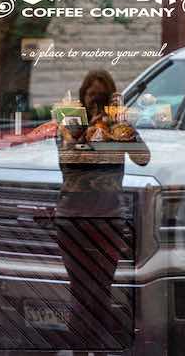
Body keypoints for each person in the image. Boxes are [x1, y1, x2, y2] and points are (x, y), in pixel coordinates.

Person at [55, 69, 149, 350]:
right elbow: (71, 161)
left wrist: (120, 126)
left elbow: (143, 158)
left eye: (101, 98)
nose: (95, 102)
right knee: (82, 294)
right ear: (83, 97)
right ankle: (82, 351)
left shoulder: (116, 125)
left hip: (106, 219)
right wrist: (99, 133)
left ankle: (98, 350)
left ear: (110, 100)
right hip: (74, 221)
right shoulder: (70, 121)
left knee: (100, 293)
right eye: (91, 96)